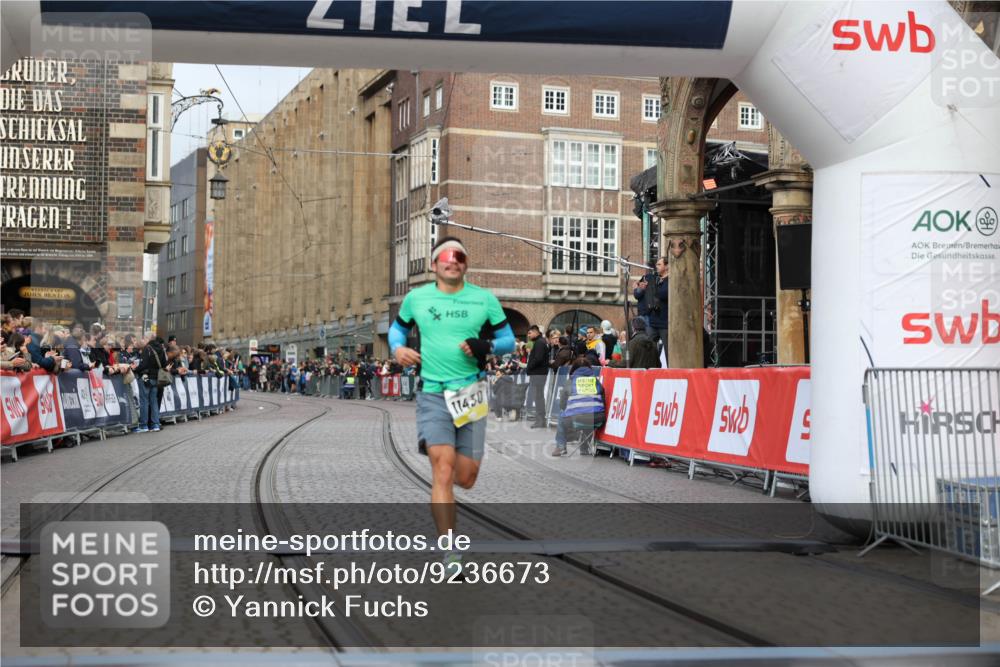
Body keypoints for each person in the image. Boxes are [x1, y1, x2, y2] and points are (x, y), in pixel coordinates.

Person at [389, 236, 515, 577]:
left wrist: (484, 344)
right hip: (433, 393)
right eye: (445, 256)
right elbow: (396, 332)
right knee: (442, 470)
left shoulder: (484, 300)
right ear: (434, 265)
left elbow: (509, 342)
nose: (452, 260)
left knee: (466, 477)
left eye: (459, 255)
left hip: (471, 396)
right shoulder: (416, 299)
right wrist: (398, 350)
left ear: (465, 263)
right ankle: (450, 552)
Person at [551, 356, 606, 457]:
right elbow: (603, 401)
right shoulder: (596, 381)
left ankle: (561, 446)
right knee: (589, 414)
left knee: (562, 416)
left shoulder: (570, 381)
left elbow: (562, 404)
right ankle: (584, 448)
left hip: (577, 419)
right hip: (598, 420)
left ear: (574, 368)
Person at [633, 257, 669, 364]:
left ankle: (671, 371)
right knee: (648, 346)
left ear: (666, 266)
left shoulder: (669, 280)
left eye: (659, 264)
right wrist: (640, 288)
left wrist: (652, 287)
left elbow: (663, 294)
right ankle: (650, 367)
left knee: (668, 350)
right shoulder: (651, 278)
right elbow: (637, 294)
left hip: (665, 321)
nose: (656, 267)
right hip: (652, 320)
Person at [134, 336, 168, 433]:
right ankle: (155, 424)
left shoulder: (147, 348)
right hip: (156, 378)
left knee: (144, 401)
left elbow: (143, 365)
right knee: (154, 401)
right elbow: (164, 364)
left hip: (146, 377)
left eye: (144, 338)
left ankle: (144, 425)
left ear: (149, 339)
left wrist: (135, 368)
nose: (143, 339)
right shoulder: (161, 349)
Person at [525, 325, 549, 428]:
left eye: (530, 333)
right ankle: (540, 420)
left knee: (538, 397)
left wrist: (529, 367)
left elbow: (538, 358)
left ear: (536, 332)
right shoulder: (540, 342)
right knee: (538, 397)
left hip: (538, 374)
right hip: (538, 373)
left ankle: (540, 421)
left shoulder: (539, 343)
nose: (528, 335)